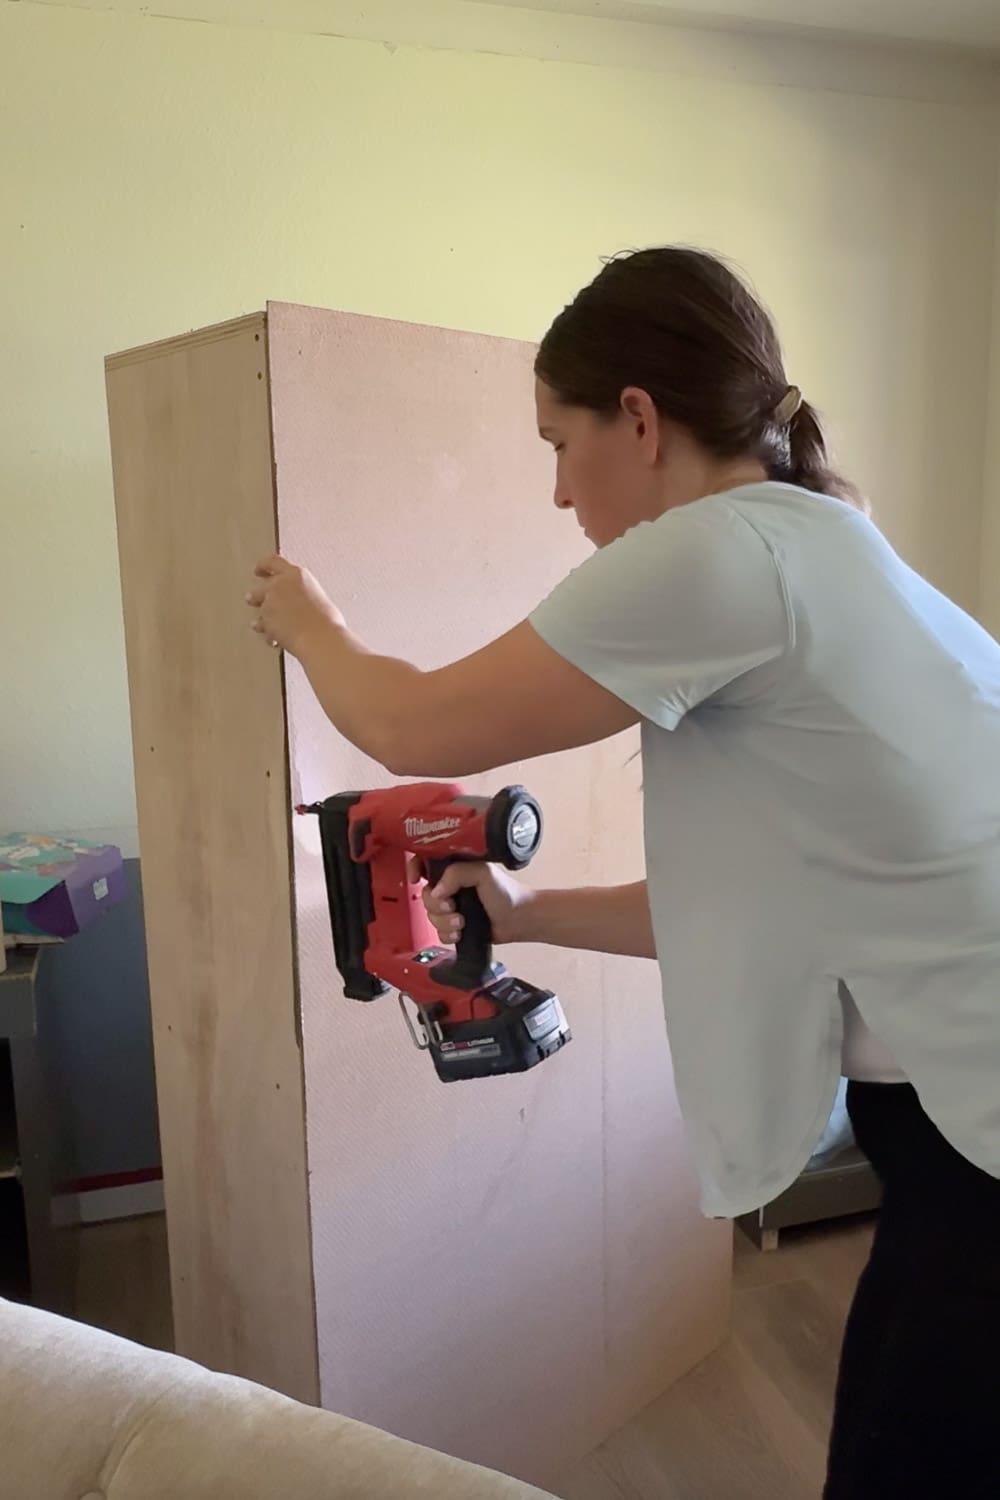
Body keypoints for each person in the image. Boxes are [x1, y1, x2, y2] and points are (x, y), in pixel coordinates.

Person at [246, 246, 1000, 1499]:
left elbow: (416, 728)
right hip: (948, 1122)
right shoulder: (826, 545)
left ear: (639, 420)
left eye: (558, 441)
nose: (556, 491)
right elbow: (769, 907)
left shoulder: (719, 552)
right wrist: (530, 913)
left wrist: (305, 621)